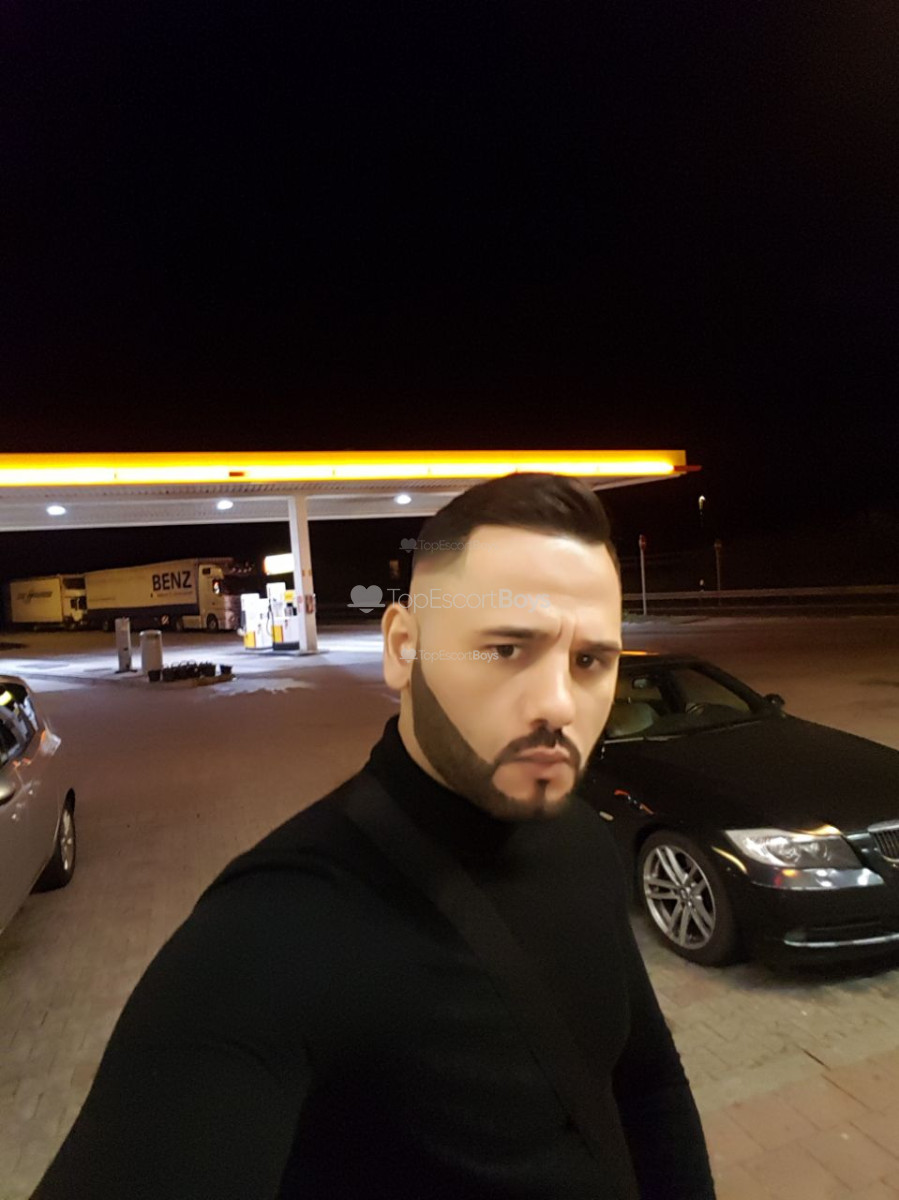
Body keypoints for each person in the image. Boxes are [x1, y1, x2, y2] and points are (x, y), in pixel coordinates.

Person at [31, 472, 716, 1199]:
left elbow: (647, 1083)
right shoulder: (270, 932)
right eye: (506, 649)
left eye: (589, 661)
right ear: (402, 649)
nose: (558, 704)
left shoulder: (582, 842)